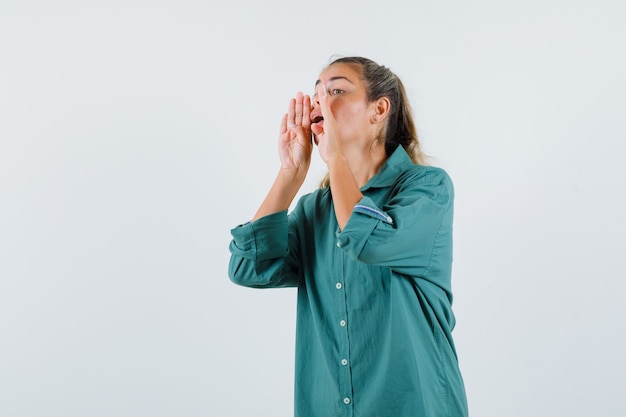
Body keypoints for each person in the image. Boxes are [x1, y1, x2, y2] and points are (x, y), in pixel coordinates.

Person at [228, 56, 468, 417]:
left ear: (379, 110)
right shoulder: (314, 211)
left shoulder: (428, 189)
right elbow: (247, 268)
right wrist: (290, 174)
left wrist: (336, 159)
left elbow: (366, 240)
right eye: (316, 95)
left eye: (336, 90)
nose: (320, 103)